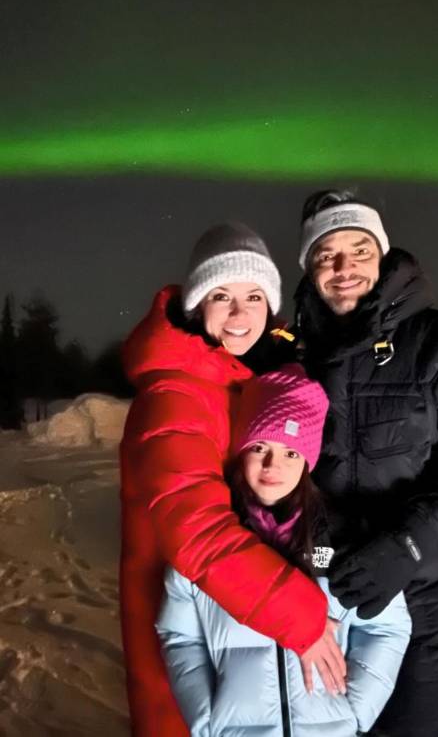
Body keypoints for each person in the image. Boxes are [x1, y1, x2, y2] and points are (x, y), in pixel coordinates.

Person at [292, 190, 438, 735]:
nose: (345, 267)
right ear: (309, 266)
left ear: (382, 254)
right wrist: (320, 550)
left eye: (359, 249)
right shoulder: (292, 354)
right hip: (326, 601)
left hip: (434, 604)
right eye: (328, 254)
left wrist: (410, 542)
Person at [120, 224, 344, 736]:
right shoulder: (176, 394)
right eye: (221, 296)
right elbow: (195, 530)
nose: (240, 313)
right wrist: (302, 617)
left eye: (253, 296)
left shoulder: (235, 379)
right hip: (186, 631)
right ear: (198, 306)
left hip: (233, 620)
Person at [156, 365, 412, 736]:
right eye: (259, 447)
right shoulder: (208, 542)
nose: (272, 465)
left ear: (307, 459)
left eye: (290, 452)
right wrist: (206, 718)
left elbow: (388, 626)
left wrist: (356, 712)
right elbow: (180, 636)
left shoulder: (346, 537)